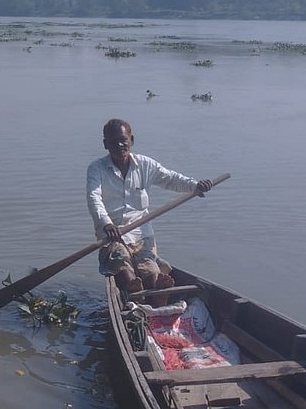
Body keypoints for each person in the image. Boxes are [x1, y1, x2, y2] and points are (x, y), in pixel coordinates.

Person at [86, 118, 213, 296]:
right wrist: (106, 223)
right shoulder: (96, 169)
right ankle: (137, 296)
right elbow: (94, 198)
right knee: (124, 271)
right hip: (112, 236)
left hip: (142, 236)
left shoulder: (145, 164)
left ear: (132, 140)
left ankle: (156, 294)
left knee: (150, 272)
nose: (120, 145)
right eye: (114, 142)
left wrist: (195, 185)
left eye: (124, 140)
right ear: (105, 144)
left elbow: (170, 179)